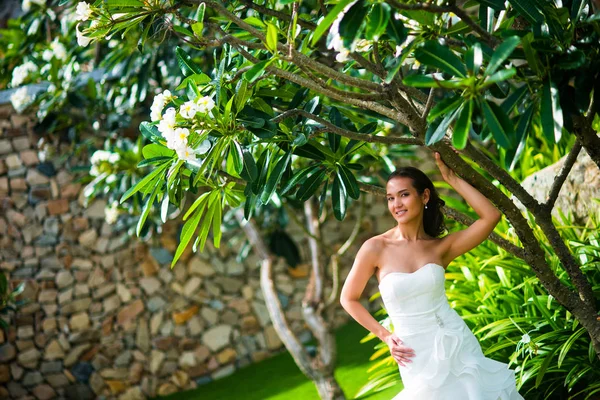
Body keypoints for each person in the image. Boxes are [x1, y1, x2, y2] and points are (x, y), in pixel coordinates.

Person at [340, 152, 523, 399]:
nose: (396, 204)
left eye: (404, 195)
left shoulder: (440, 248)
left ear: (424, 196)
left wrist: (452, 179)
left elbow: (491, 217)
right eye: (390, 198)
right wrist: (385, 335)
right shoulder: (375, 248)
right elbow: (348, 298)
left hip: (456, 340)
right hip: (413, 352)